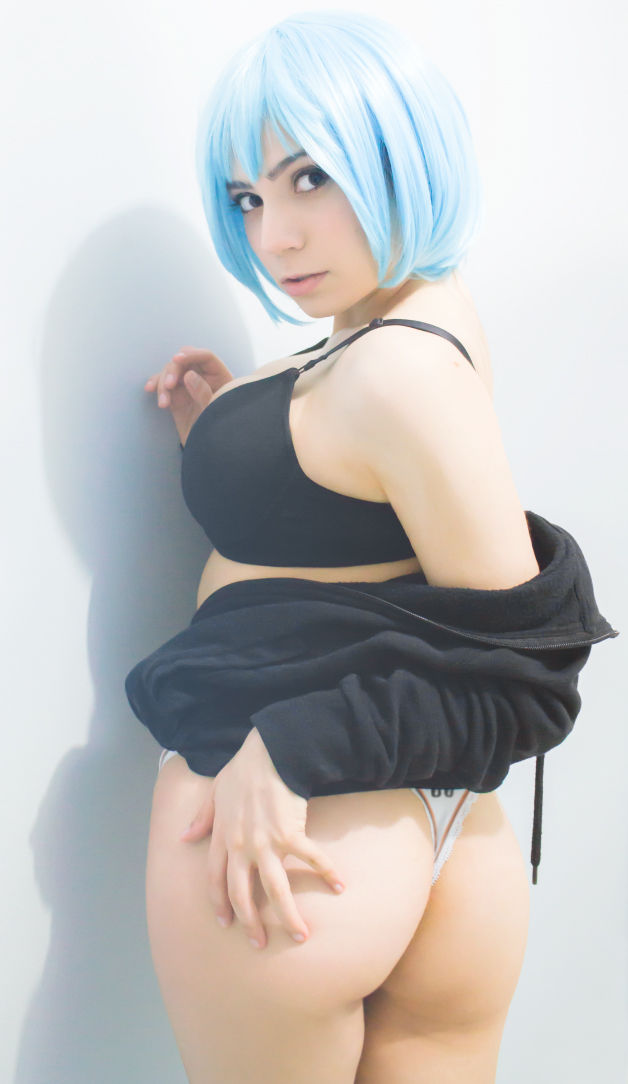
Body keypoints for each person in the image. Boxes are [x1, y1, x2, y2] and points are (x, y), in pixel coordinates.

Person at [126, 11, 616, 1083]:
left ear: (398, 151)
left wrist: (295, 745)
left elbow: (534, 675)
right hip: (440, 839)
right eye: (249, 199)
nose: (274, 238)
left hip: (287, 822)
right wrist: (238, 432)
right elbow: (366, 517)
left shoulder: (398, 370)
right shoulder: (410, 322)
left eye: (310, 179)